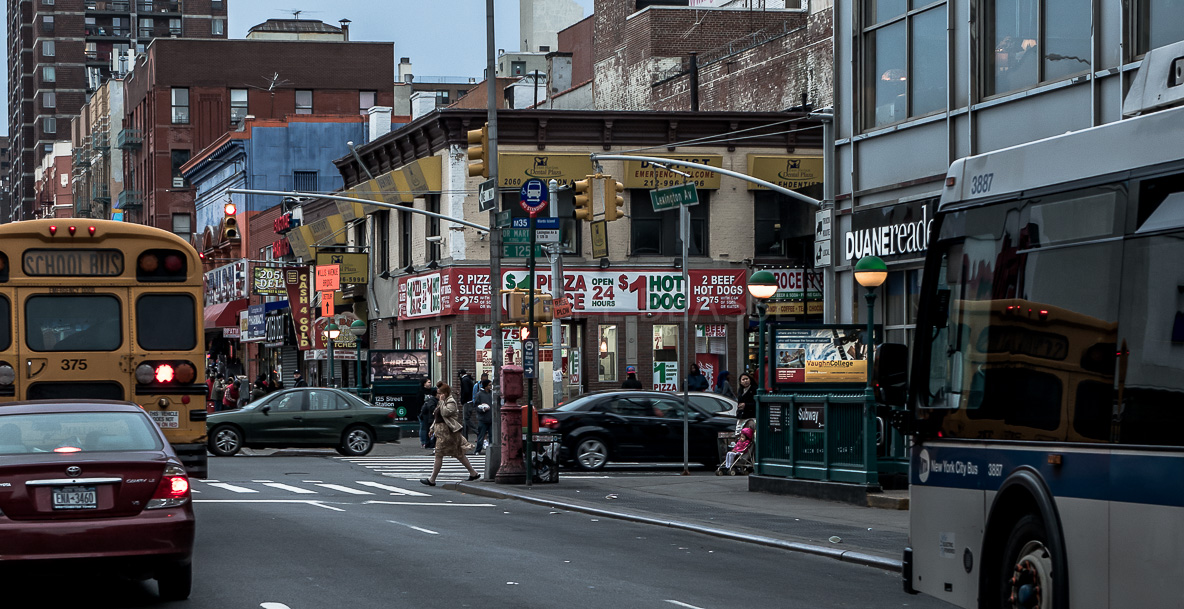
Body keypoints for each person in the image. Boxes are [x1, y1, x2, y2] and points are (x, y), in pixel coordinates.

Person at [421, 382, 480, 486]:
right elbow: (437, 417)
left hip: (447, 433)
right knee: (459, 454)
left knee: (439, 454)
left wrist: (442, 402)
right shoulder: (442, 401)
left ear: (445, 393)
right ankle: (473, 473)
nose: (438, 395)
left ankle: (432, 479)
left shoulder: (450, 402)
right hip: (442, 432)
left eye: (440, 393)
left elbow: (445, 413)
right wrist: (432, 429)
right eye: (438, 393)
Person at [473, 379, 493, 455]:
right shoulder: (479, 394)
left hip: (491, 418)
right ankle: (478, 450)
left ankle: (491, 450)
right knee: (481, 435)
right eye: (489, 385)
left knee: (492, 436)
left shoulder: (492, 394)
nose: (490, 386)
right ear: (485, 386)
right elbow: (476, 406)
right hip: (483, 418)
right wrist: (482, 409)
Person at [419, 381, 438, 449]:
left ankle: (428, 443)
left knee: (427, 429)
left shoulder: (432, 393)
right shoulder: (421, 392)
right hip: (426, 415)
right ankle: (425, 442)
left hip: (428, 415)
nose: (430, 383)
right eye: (428, 382)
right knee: (425, 428)